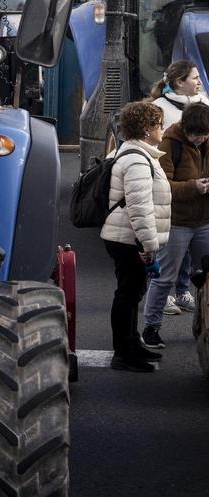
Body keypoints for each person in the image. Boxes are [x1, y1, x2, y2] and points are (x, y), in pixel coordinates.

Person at [100, 100, 171, 373]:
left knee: (132, 293)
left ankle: (132, 343)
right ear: (146, 129)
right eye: (158, 125)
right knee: (127, 295)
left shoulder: (136, 153)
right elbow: (140, 210)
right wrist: (148, 247)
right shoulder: (137, 160)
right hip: (128, 239)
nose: (162, 130)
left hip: (127, 237)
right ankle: (123, 353)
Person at [141, 102, 209, 349]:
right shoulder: (171, 143)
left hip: (204, 222)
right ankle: (151, 327)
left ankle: (202, 324)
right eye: (198, 135)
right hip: (178, 222)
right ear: (186, 129)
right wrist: (194, 187)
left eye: (205, 134)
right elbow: (163, 186)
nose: (202, 139)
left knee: (206, 277)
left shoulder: (206, 139)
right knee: (164, 278)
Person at [150, 60, 207, 312]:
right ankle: (162, 302)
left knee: (192, 257)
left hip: (201, 213)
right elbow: (161, 178)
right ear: (178, 82)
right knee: (171, 255)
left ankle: (183, 290)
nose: (199, 81)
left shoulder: (204, 104)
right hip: (172, 208)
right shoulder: (159, 110)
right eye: (194, 77)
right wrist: (193, 186)